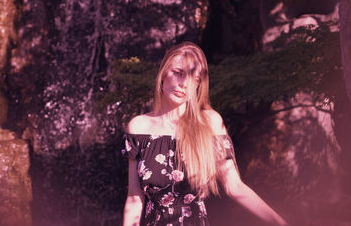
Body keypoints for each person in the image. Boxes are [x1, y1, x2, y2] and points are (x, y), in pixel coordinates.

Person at [122, 42, 288, 226]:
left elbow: (235, 187)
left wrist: (280, 222)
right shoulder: (138, 127)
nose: (183, 83)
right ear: (163, 75)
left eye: (193, 77)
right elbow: (134, 199)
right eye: (178, 73)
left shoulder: (209, 123)